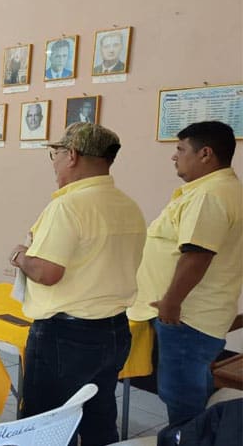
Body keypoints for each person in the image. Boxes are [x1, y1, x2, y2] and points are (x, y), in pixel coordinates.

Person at [9, 123, 146, 445]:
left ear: (71, 155)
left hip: (66, 336)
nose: (54, 163)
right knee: (99, 414)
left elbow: (47, 272)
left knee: (48, 423)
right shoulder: (128, 205)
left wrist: (20, 257)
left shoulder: (68, 206)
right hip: (114, 329)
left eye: (54, 155)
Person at [127, 121, 241, 424]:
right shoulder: (221, 189)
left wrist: (171, 302)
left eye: (180, 149)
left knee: (182, 400)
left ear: (205, 154)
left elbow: (197, 255)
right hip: (199, 316)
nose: (174, 156)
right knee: (193, 390)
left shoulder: (210, 195)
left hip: (186, 318)